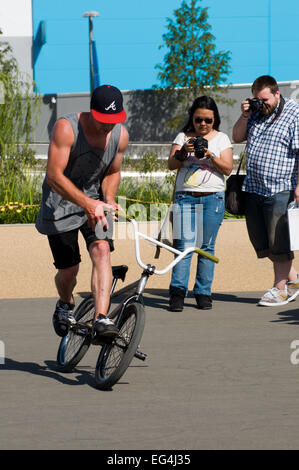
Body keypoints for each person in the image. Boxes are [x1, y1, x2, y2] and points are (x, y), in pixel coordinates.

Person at [36, 84, 129, 339]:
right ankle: (65, 303)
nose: (108, 125)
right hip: (59, 205)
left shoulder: (120, 135)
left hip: (97, 204)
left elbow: (112, 171)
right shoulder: (67, 128)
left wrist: (107, 198)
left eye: (113, 120)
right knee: (69, 271)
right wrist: (88, 203)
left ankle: (101, 318)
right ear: (92, 112)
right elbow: (54, 176)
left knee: (101, 250)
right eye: (103, 120)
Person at [232, 75, 299, 306]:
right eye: (258, 100)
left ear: (277, 93)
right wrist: (245, 114)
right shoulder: (256, 113)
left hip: (281, 188)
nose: (263, 104)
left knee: (279, 241)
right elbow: (237, 137)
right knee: (261, 242)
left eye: (266, 99)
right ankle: (294, 279)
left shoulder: (294, 114)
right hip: (254, 187)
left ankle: (279, 289)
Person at [168, 96, 233, 311]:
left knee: (206, 247)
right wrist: (184, 151)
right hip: (185, 196)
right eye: (198, 120)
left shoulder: (222, 138)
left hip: (212, 198)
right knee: (183, 247)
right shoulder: (182, 137)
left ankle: (203, 292)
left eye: (208, 120)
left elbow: (227, 169)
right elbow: (171, 164)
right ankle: (177, 292)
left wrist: (210, 155)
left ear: (214, 120)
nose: (203, 124)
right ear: (192, 119)